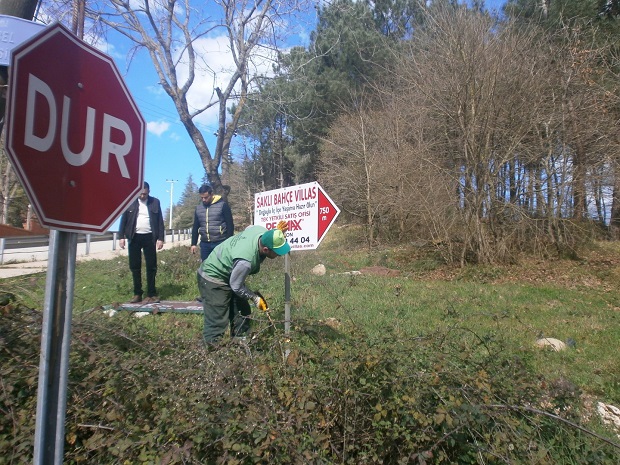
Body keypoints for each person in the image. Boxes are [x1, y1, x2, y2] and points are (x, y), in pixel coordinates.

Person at [197, 222, 289, 344]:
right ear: (265, 249)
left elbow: (248, 228)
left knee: (242, 310)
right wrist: (254, 298)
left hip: (229, 273)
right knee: (217, 319)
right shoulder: (246, 261)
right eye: (277, 252)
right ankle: (210, 351)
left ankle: (240, 345)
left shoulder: (260, 230)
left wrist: (276, 235)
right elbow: (236, 286)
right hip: (212, 277)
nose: (279, 255)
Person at [119, 182, 165, 304]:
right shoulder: (130, 202)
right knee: (135, 266)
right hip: (134, 237)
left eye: (145, 193)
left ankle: (151, 293)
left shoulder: (155, 202)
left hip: (150, 237)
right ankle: (137, 293)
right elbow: (124, 220)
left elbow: (160, 221)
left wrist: (160, 238)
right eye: (140, 193)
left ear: (149, 191)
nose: (142, 196)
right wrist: (121, 236)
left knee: (151, 266)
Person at [190, 184, 234, 261]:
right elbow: (195, 227)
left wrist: (228, 242)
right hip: (204, 244)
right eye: (202, 198)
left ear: (212, 194)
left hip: (220, 242)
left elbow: (230, 225)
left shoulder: (223, 206)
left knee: (221, 267)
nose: (204, 200)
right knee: (206, 268)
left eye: (206, 197)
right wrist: (193, 244)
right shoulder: (198, 208)